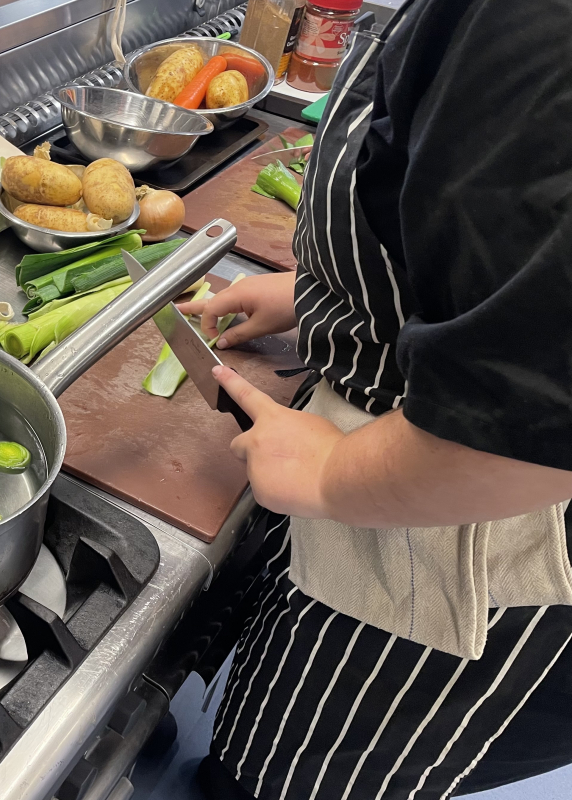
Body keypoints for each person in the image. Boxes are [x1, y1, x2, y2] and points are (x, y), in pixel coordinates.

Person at [176, 1, 572, 798]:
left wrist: (330, 477)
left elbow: (532, 426)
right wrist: (330, 294)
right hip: (409, 480)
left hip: (467, 550)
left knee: (288, 776)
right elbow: (504, 242)